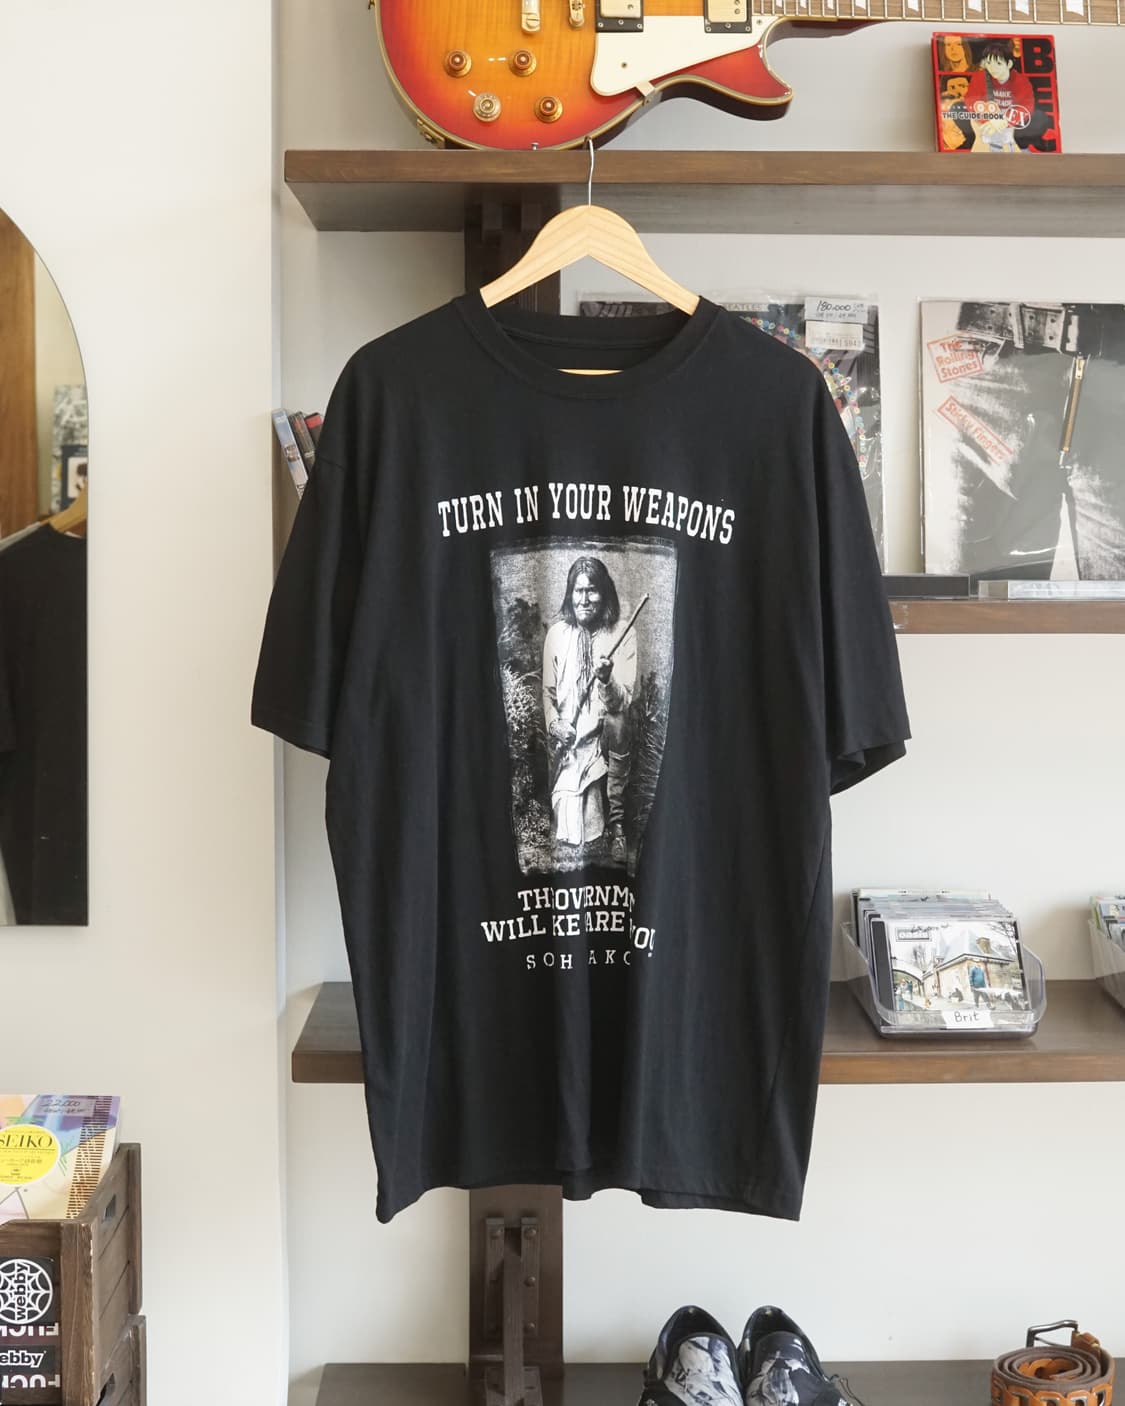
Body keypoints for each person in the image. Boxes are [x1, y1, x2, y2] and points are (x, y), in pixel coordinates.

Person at [542, 556, 637, 864]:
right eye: (578, 591)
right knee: (573, 825)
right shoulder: (557, 635)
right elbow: (548, 694)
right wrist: (556, 725)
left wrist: (606, 679)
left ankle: (617, 824)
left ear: (604, 593)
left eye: (592, 590)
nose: (584, 599)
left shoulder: (622, 633)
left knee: (618, 722)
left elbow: (622, 703)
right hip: (570, 742)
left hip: (604, 738)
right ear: (570, 594)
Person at [961, 38, 1047, 152]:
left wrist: (1005, 121)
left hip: (1012, 127)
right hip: (988, 124)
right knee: (957, 108)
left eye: (998, 63)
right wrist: (989, 120)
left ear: (1009, 64)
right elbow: (971, 101)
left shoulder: (1021, 81)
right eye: (989, 63)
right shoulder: (979, 78)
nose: (993, 68)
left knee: (1039, 116)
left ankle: (1023, 146)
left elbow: (1027, 106)